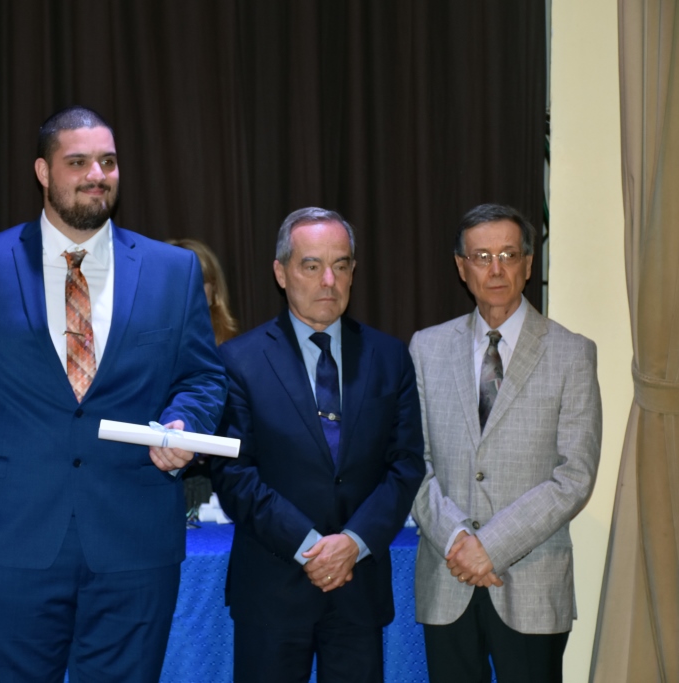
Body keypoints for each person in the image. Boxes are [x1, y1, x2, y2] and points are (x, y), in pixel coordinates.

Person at [0, 106, 227, 683]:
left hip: (134, 540)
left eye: (108, 162)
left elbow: (203, 377)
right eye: (78, 162)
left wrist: (181, 423)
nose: (96, 174)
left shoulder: (172, 270)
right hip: (10, 539)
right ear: (43, 172)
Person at [210, 207, 426, 682]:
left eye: (342, 265)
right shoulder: (239, 361)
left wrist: (351, 544)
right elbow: (234, 473)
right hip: (272, 589)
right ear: (281, 272)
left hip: (358, 588)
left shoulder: (389, 357)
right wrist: (311, 548)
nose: (329, 280)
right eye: (311, 265)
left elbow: (406, 464)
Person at [410, 203, 602, 683]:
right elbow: (412, 461)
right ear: (461, 267)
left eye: (508, 254)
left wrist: (490, 546)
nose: (495, 269)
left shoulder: (572, 353)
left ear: (528, 263)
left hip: (532, 586)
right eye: (481, 256)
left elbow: (574, 475)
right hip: (447, 578)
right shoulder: (425, 348)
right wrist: (459, 540)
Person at [166, 238, 240, 510]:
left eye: (198, 281)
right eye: (176, 281)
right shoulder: (140, 351)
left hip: (219, 486)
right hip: (158, 480)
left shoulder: (240, 354)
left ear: (214, 291)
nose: (187, 290)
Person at [166, 238, 240, 345]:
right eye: (181, 284)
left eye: (199, 283)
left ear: (214, 286)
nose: (190, 293)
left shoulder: (234, 346)